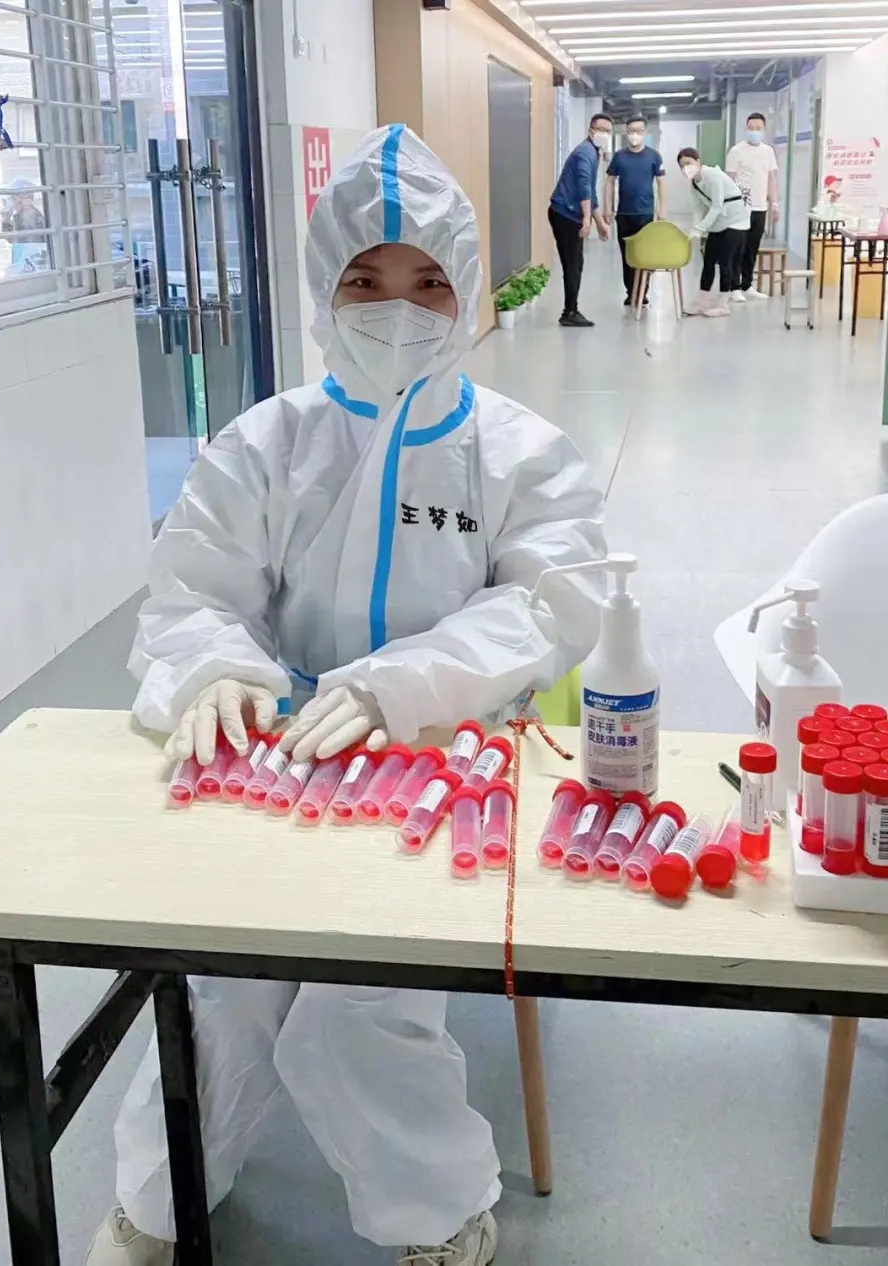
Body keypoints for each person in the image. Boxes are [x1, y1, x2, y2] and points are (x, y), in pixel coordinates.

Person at [86, 123, 606, 1266]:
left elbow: (549, 602)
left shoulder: (520, 455)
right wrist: (218, 671)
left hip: (452, 771)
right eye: (366, 280)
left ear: (464, 289)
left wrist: (397, 688)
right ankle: (160, 1203)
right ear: (325, 286)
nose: (397, 309)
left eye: (428, 283)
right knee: (221, 989)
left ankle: (441, 1216)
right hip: (283, 758)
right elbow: (194, 586)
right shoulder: (266, 443)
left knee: (352, 1007)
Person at [549, 112, 613, 327]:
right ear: (591, 130)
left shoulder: (593, 152)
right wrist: (587, 219)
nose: (604, 134)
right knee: (573, 264)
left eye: (608, 131)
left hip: (569, 212)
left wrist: (600, 222)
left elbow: (591, 193)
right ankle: (569, 312)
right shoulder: (585, 152)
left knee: (576, 263)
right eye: (601, 129)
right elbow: (584, 186)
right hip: (565, 214)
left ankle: (571, 309)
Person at [678, 146, 751, 318]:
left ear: (698, 161)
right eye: (682, 165)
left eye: (688, 162)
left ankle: (723, 304)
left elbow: (717, 206)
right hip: (718, 223)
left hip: (735, 221)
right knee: (708, 261)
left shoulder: (713, 176)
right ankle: (702, 301)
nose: (686, 167)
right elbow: (697, 208)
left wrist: (701, 228)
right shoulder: (694, 183)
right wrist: (697, 228)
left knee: (726, 262)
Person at [605, 115, 666, 307]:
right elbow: (609, 181)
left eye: (639, 131)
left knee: (644, 254)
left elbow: (661, 183)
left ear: (645, 132)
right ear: (626, 132)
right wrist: (608, 207)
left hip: (645, 214)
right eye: (631, 131)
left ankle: (642, 292)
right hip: (624, 214)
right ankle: (631, 291)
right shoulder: (619, 156)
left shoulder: (654, 156)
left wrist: (662, 209)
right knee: (627, 255)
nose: (635, 135)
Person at [726, 112, 779, 301]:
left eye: (758, 128)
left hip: (760, 207)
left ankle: (747, 284)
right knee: (737, 248)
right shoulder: (736, 151)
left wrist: (774, 203)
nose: (754, 131)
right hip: (741, 207)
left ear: (764, 130)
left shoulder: (768, 151)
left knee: (752, 248)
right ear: (746, 128)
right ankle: (734, 287)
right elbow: (729, 179)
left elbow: (771, 179)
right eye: (751, 128)